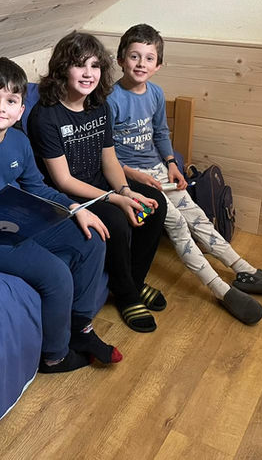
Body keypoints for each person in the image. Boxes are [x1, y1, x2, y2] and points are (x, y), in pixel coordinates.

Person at [0, 57, 121, 373]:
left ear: (20, 111)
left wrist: (75, 209)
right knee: (56, 274)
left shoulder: (18, 141)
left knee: (92, 239)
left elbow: (37, 187)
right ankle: (55, 356)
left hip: (14, 218)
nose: (0, 107)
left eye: (10, 101)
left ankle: (80, 328)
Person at [107, 24, 262, 325]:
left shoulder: (155, 94)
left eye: (149, 58)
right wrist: (135, 177)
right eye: (134, 56)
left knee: (197, 217)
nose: (141, 64)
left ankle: (243, 269)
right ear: (120, 60)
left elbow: (161, 132)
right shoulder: (111, 99)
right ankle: (220, 289)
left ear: (158, 65)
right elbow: (107, 154)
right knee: (178, 225)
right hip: (131, 177)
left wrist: (171, 162)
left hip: (158, 170)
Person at [27, 31, 168, 334]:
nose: (88, 73)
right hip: (66, 195)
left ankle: (135, 281)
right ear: (62, 69)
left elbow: (110, 160)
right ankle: (127, 296)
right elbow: (63, 180)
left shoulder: (99, 105)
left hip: (99, 182)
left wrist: (126, 191)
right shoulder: (45, 116)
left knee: (155, 205)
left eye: (94, 66)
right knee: (116, 221)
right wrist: (116, 199)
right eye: (79, 65)